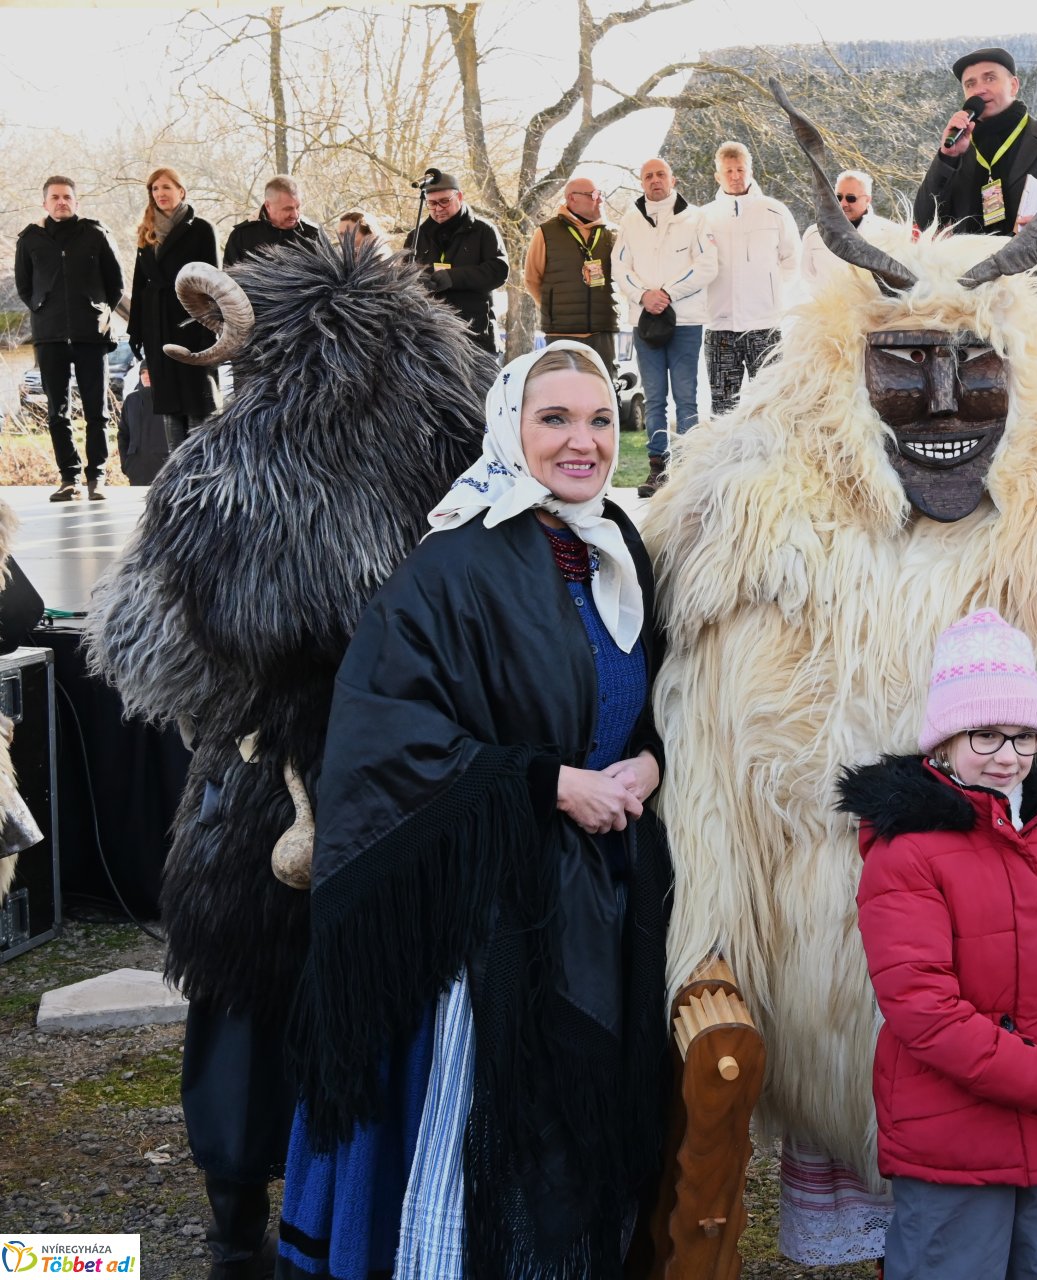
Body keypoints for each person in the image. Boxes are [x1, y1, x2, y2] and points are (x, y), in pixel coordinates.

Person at [643, 86, 1037, 1276]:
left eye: (973, 373)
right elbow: (713, 769)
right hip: (854, 985)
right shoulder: (764, 529)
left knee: (1027, 1220)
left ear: (1020, 375)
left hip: (1035, 990)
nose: (938, 409)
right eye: (902, 369)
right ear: (844, 373)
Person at [89, 237, 494, 1280]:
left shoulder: (223, 470)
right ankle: (367, 1214)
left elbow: (147, 655)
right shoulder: (463, 453)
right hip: (409, 792)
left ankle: (237, 1222)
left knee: (244, 999)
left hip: (267, 792)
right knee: (386, 1000)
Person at [278, 341, 672, 1278]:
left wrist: (650, 762)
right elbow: (384, 735)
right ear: (509, 427)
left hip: (604, 891)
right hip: (486, 912)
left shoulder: (618, 544)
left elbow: (647, 696)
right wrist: (549, 784)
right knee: (482, 1139)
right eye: (555, 420)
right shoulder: (455, 562)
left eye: (601, 420)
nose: (584, 442)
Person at [841, 609, 1037, 1280]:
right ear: (943, 742)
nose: (1008, 757)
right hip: (954, 1136)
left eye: (1024, 737)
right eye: (986, 735)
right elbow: (921, 1007)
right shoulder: (908, 850)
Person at [914, 48, 1037, 377]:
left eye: (990, 78)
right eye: (970, 84)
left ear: (1014, 84)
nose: (979, 88)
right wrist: (947, 158)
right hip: (974, 306)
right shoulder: (960, 150)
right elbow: (924, 220)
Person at [14, 174, 122, 502]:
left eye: (67, 197)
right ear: (45, 203)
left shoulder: (95, 234)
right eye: (55, 197)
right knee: (56, 412)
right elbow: (24, 286)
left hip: (91, 335)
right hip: (49, 337)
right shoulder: (30, 239)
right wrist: (42, 307)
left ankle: (97, 478)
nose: (62, 202)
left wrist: (96, 310)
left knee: (97, 411)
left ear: (76, 201)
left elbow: (115, 284)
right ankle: (69, 478)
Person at [614, 157, 718, 497]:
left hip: (685, 320)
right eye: (648, 176)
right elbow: (619, 266)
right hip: (646, 322)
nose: (655, 180)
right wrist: (644, 295)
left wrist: (668, 293)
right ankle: (658, 468)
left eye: (661, 174)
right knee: (655, 397)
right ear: (642, 183)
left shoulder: (696, 218)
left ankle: (686, 469)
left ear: (672, 179)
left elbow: (707, 265)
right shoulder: (630, 221)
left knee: (686, 398)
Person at [701, 141, 799, 416]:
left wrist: (770, 294)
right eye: (728, 170)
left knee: (771, 406)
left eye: (740, 169)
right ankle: (726, 459)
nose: (735, 176)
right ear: (718, 175)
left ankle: (771, 458)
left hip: (764, 326)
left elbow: (792, 260)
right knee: (723, 408)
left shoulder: (775, 211)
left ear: (750, 171)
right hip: (719, 326)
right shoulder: (704, 216)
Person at [129, 167, 220, 450]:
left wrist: (211, 328)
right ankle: (176, 479)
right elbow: (139, 284)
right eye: (155, 189)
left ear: (181, 191)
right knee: (168, 404)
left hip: (192, 322)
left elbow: (214, 280)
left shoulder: (202, 229)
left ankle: (199, 475)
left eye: (166, 187)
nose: (160, 193)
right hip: (157, 325)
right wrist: (136, 330)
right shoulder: (147, 232)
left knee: (196, 401)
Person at [404, 172, 510, 353]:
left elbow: (498, 271)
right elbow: (403, 276)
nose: (438, 208)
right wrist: (419, 282)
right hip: (430, 336)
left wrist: (453, 278)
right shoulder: (417, 236)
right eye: (432, 203)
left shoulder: (483, 230)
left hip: (474, 334)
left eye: (444, 201)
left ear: (459, 196)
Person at [524, 176, 621, 371]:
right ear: (572, 198)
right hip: (562, 334)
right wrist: (554, 309)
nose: (600, 200)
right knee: (563, 392)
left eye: (600, 194)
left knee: (603, 390)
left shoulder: (612, 233)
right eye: (593, 195)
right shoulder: (545, 232)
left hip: (603, 333)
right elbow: (532, 278)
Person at [798, 169, 900, 295]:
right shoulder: (814, 234)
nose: (843, 203)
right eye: (838, 197)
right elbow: (807, 277)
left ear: (867, 200)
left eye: (851, 198)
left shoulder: (891, 234)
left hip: (873, 312)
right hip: (828, 311)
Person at [223, 175, 322, 268]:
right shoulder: (241, 236)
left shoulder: (314, 235)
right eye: (288, 209)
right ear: (268, 206)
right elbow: (229, 283)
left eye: (297, 207)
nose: (295, 215)